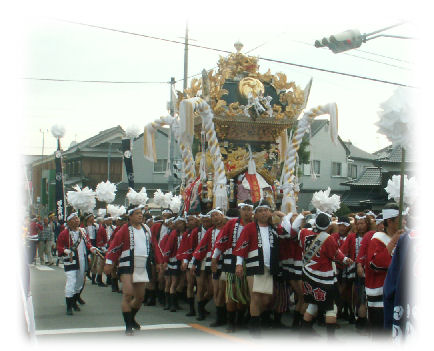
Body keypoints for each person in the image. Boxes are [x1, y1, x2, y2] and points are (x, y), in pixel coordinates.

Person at [290, 212, 353, 339]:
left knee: (312, 304)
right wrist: (346, 259)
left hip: (307, 274)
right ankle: (331, 338)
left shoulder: (304, 233)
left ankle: (304, 331)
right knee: (331, 307)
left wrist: (302, 215)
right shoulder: (328, 238)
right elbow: (334, 255)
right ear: (328, 225)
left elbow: (295, 228)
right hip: (324, 277)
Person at [233, 200, 282, 337]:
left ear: (270, 212)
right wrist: (238, 264)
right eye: (260, 210)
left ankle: (252, 316)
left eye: (266, 210)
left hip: (269, 266)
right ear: (256, 214)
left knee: (266, 298)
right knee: (255, 295)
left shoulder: (274, 229)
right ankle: (255, 326)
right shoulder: (249, 228)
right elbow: (242, 246)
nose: (263, 213)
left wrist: (282, 217)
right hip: (254, 264)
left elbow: (288, 233)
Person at [104, 205, 156, 336]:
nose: (140, 215)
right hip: (127, 264)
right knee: (128, 294)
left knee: (140, 297)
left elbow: (154, 246)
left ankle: (131, 318)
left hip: (142, 265)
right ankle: (128, 326)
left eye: (141, 213)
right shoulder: (124, 230)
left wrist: (160, 262)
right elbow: (114, 246)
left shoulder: (146, 229)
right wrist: (109, 262)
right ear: (130, 216)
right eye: (137, 213)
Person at [212, 203, 253, 332]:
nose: (246, 212)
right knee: (231, 292)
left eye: (249, 210)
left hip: (249, 261)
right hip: (231, 261)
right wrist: (214, 258)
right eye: (244, 209)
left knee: (244, 293)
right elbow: (222, 240)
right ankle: (230, 322)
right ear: (240, 210)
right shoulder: (232, 224)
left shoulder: (254, 225)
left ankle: (240, 320)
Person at [365, 203, 404, 337]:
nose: (403, 221)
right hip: (379, 295)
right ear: (390, 221)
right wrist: (393, 241)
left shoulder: (404, 238)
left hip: (397, 293)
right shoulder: (376, 239)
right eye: (400, 219)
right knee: (380, 335)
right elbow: (375, 264)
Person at [57, 212, 97, 315]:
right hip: (71, 260)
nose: (77, 220)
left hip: (82, 260)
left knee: (79, 282)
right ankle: (69, 306)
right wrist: (65, 251)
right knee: (71, 281)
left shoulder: (82, 231)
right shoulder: (64, 233)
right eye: (74, 219)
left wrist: (91, 248)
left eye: (77, 218)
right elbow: (59, 246)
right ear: (69, 222)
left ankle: (74, 301)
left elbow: (87, 242)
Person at [192, 208, 226, 327]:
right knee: (213, 290)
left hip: (226, 261)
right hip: (212, 262)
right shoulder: (211, 231)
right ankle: (203, 311)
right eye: (213, 216)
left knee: (222, 290)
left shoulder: (228, 228)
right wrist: (195, 261)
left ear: (222, 216)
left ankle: (224, 315)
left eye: (217, 215)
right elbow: (202, 246)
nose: (215, 218)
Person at [162, 217, 187, 312]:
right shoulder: (173, 234)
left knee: (174, 282)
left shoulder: (185, 233)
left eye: (182, 223)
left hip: (179, 259)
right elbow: (168, 247)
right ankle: (170, 304)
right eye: (179, 223)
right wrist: (165, 260)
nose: (180, 225)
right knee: (172, 282)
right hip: (172, 259)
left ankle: (172, 303)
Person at [178, 214, 201, 317]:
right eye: (188, 220)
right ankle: (192, 309)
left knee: (201, 286)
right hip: (189, 260)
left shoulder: (199, 231)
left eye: (192, 220)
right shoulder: (187, 233)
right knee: (190, 284)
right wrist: (184, 260)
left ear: (197, 220)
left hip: (199, 259)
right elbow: (184, 247)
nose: (189, 222)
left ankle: (201, 307)